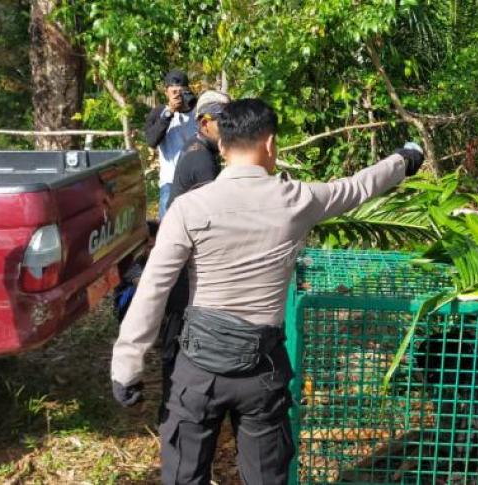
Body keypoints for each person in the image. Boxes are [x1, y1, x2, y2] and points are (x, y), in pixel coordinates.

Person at [110, 98, 425, 484]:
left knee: (184, 475)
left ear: (222, 146)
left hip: (197, 369)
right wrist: (404, 159)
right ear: (271, 144)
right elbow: (358, 187)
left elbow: (154, 288)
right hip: (262, 373)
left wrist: (127, 365)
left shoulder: (189, 208)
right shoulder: (298, 200)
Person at [158, 89, 231, 424]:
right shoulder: (200, 157)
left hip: (185, 261)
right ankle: (171, 413)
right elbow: (213, 219)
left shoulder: (204, 151)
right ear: (205, 123)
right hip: (183, 265)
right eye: (224, 122)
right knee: (177, 338)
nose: (230, 129)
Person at [144, 69, 198, 219]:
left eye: (182, 91)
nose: (178, 95)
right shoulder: (159, 113)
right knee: (167, 229)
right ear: (166, 92)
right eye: (174, 91)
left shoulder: (197, 112)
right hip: (170, 180)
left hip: (196, 180)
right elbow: (151, 141)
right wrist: (169, 113)